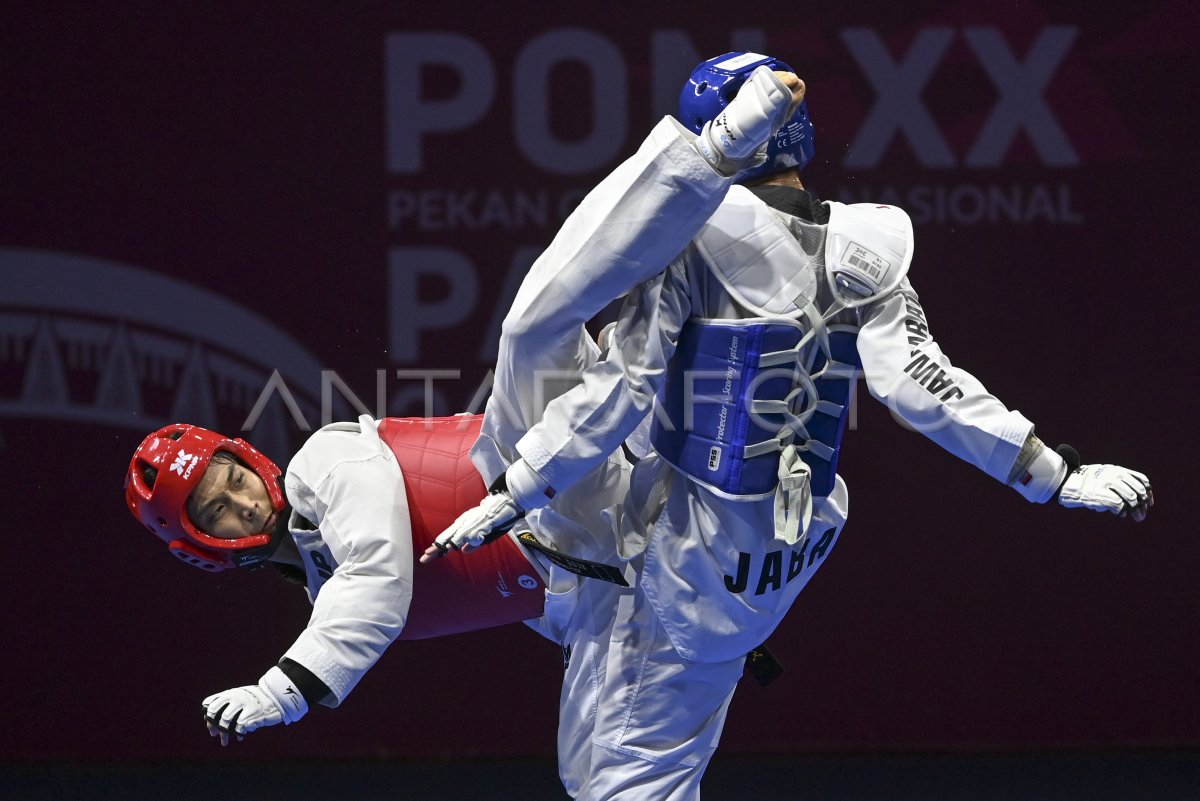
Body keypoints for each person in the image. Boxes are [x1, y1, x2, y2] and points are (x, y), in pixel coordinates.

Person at [425, 52, 1154, 799]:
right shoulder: (865, 250)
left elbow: (624, 387)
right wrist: (1050, 474)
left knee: (619, 780)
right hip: (770, 553)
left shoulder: (693, 238)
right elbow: (926, 388)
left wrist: (518, 486)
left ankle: (713, 151)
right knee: (630, 760)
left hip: (678, 546)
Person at [124, 411, 629, 748]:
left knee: (528, 330)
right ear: (200, 543)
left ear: (251, 462)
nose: (247, 505)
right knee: (605, 770)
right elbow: (490, 585)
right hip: (609, 582)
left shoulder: (323, 462)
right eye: (218, 510)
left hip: (597, 478)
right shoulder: (326, 591)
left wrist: (282, 691)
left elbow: (377, 571)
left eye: (237, 481)